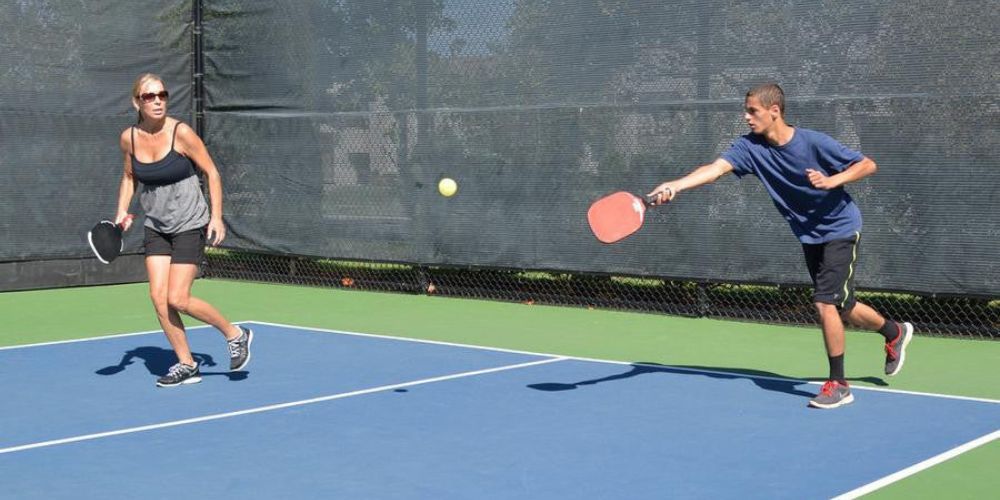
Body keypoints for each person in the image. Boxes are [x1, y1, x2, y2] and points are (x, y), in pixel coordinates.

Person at [647, 83, 913, 409]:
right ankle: (893, 331)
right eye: (746, 111)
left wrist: (833, 180)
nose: (746, 117)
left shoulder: (813, 142)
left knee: (825, 303)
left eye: (752, 111)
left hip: (841, 228)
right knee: (841, 305)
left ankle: (839, 384)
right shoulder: (749, 148)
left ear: (774, 111)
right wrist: (677, 185)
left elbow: (867, 164)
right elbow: (715, 170)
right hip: (809, 234)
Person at [114, 73, 252, 387]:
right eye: (150, 96)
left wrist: (216, 217)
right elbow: (128, 178)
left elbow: (212, 172)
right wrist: (122, 210)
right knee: (158, 298)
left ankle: (235, 334)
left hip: (190, 222)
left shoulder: (181, 132)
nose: (158, 101)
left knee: (178, 298)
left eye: (162, 94)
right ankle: (187, 364)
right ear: (138, 102)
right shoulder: (129, 138)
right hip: (157, 225)